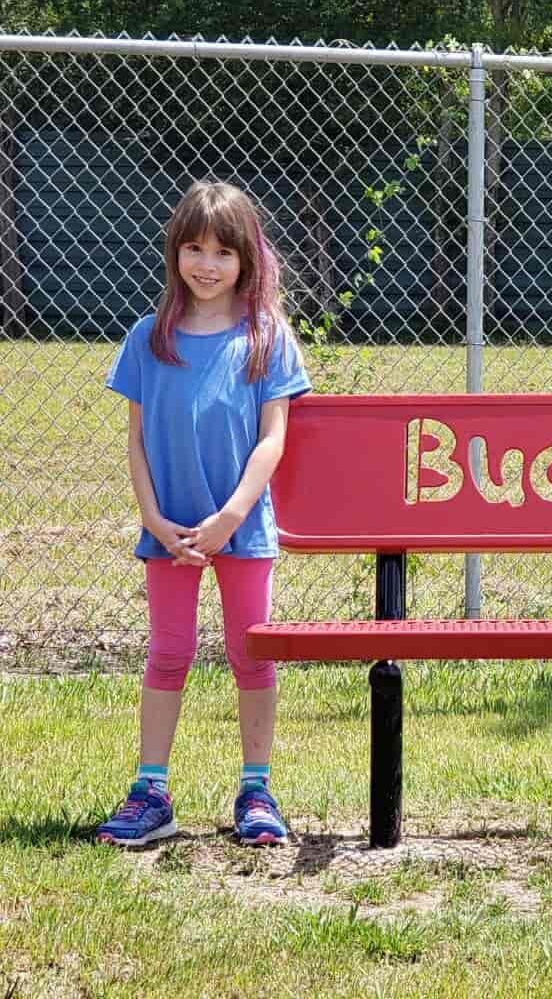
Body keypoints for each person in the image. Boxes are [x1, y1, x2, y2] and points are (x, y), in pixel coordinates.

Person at [97, 180, 311, 848]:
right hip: (170, 532)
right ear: (175, 253)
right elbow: (135, 439)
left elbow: (273, 438)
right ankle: (150, 792)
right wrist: (156, 519)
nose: (207, 264)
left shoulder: (266, 337)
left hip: (241, 531)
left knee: (253, 657)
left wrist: (229, 518)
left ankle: (256, 790)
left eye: (222, 251)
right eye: (193, 248)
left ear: (248, 258)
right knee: (168, 653)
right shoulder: (147, 338)